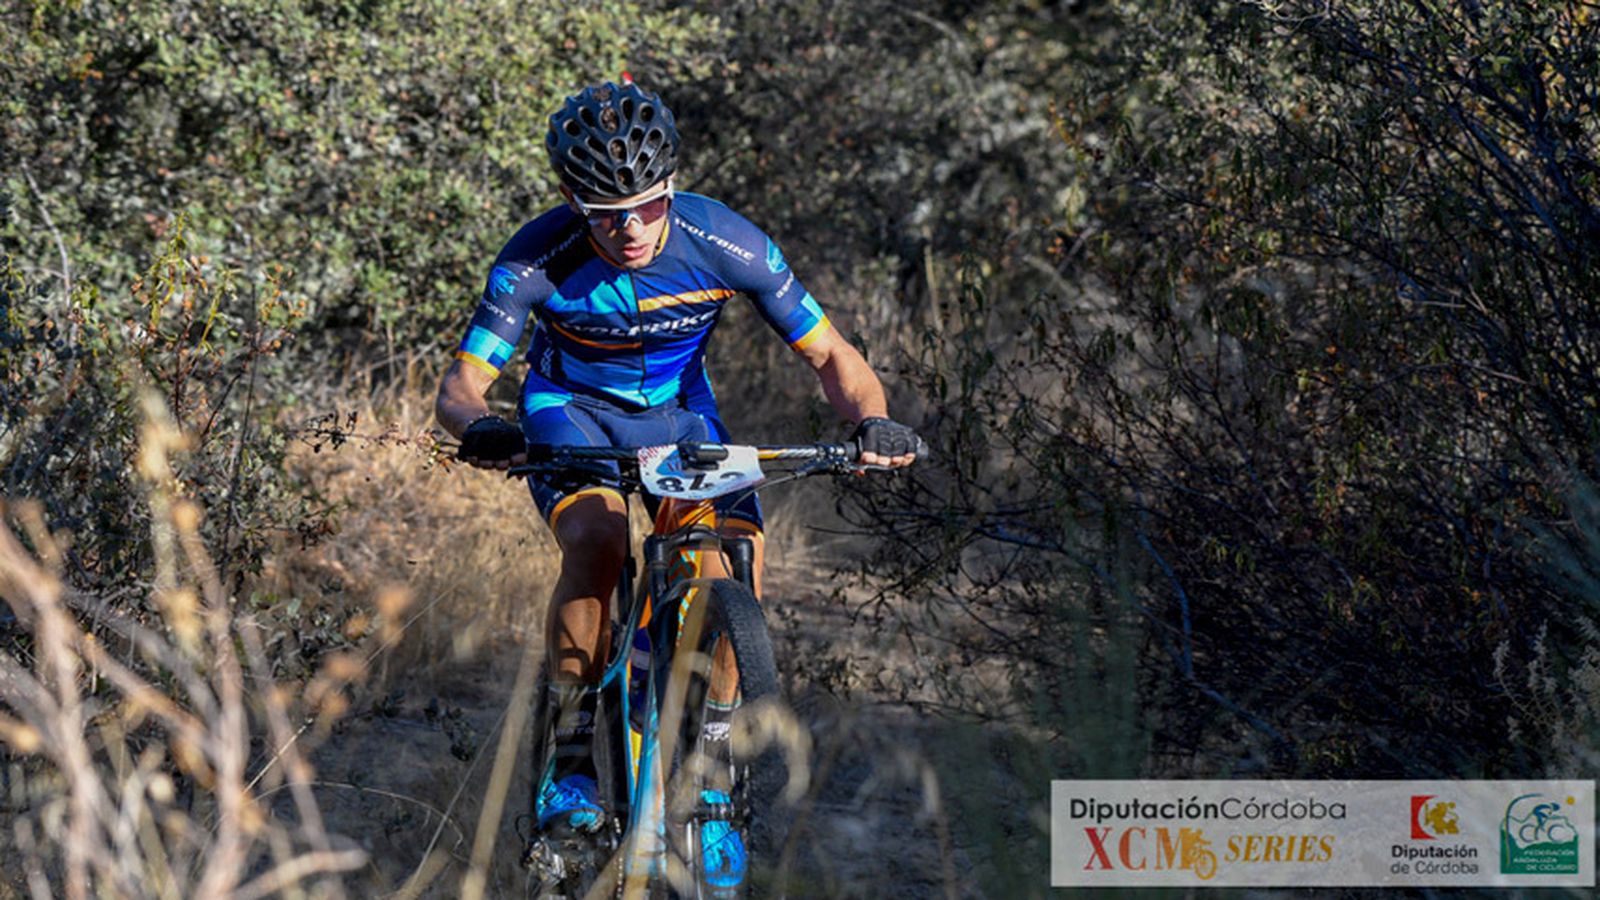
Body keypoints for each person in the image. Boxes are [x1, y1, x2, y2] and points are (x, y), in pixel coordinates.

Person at [434, 80, 918, 867]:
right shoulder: (534, 257)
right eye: (603, 212)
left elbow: (830, 354)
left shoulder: (725, 240)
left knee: (729, 565)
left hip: (679, 417)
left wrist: (870, 420)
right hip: (570, 412)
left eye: (648, 205)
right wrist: (483, 426)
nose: (629, 228)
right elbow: (459, 386)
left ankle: (718, 773)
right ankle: (572, 756)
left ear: (672, 187)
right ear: (569, 199)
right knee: (595, 542)